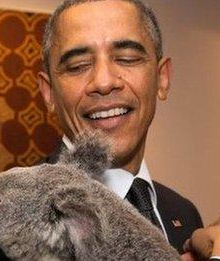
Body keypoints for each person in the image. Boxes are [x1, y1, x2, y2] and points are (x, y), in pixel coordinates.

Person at [36, 0, 203, 255]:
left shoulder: (184, 214)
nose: (103, 82)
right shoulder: (2, 221)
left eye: (127, 58)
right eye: (78, 66)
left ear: (162, 79)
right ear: (49, 93)